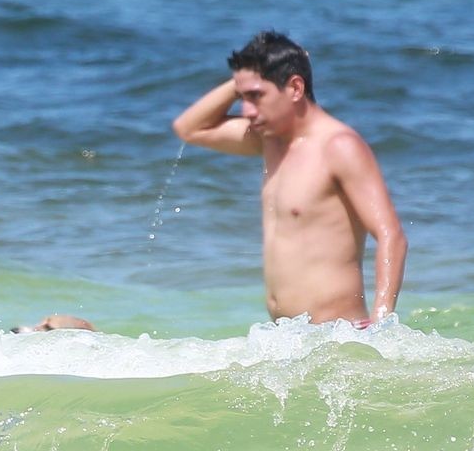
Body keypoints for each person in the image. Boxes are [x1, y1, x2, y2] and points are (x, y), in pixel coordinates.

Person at [171, 30, 407, 327]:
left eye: (256, 96)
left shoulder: (338, 146)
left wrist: (381, 320)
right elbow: (188, 129)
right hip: (285, 338)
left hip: (338, 336)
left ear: (295, 88)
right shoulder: (270, 140)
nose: (246, 110)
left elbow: (391, 235)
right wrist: (243, 80)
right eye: (243, 98)